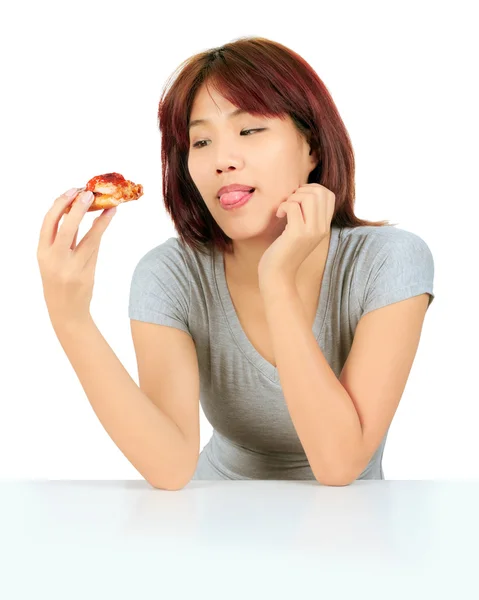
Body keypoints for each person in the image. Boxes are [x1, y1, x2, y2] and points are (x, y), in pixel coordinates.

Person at [37, 36, 435, 489]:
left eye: (250, 131)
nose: (222, 160)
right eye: (201, 140)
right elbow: (169, 469)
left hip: (349, 530)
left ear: (313, 148)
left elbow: (339, 465)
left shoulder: (389, 261)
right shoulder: (170, 274)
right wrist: (70, 319)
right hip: (211, 520)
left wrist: (277, 280)